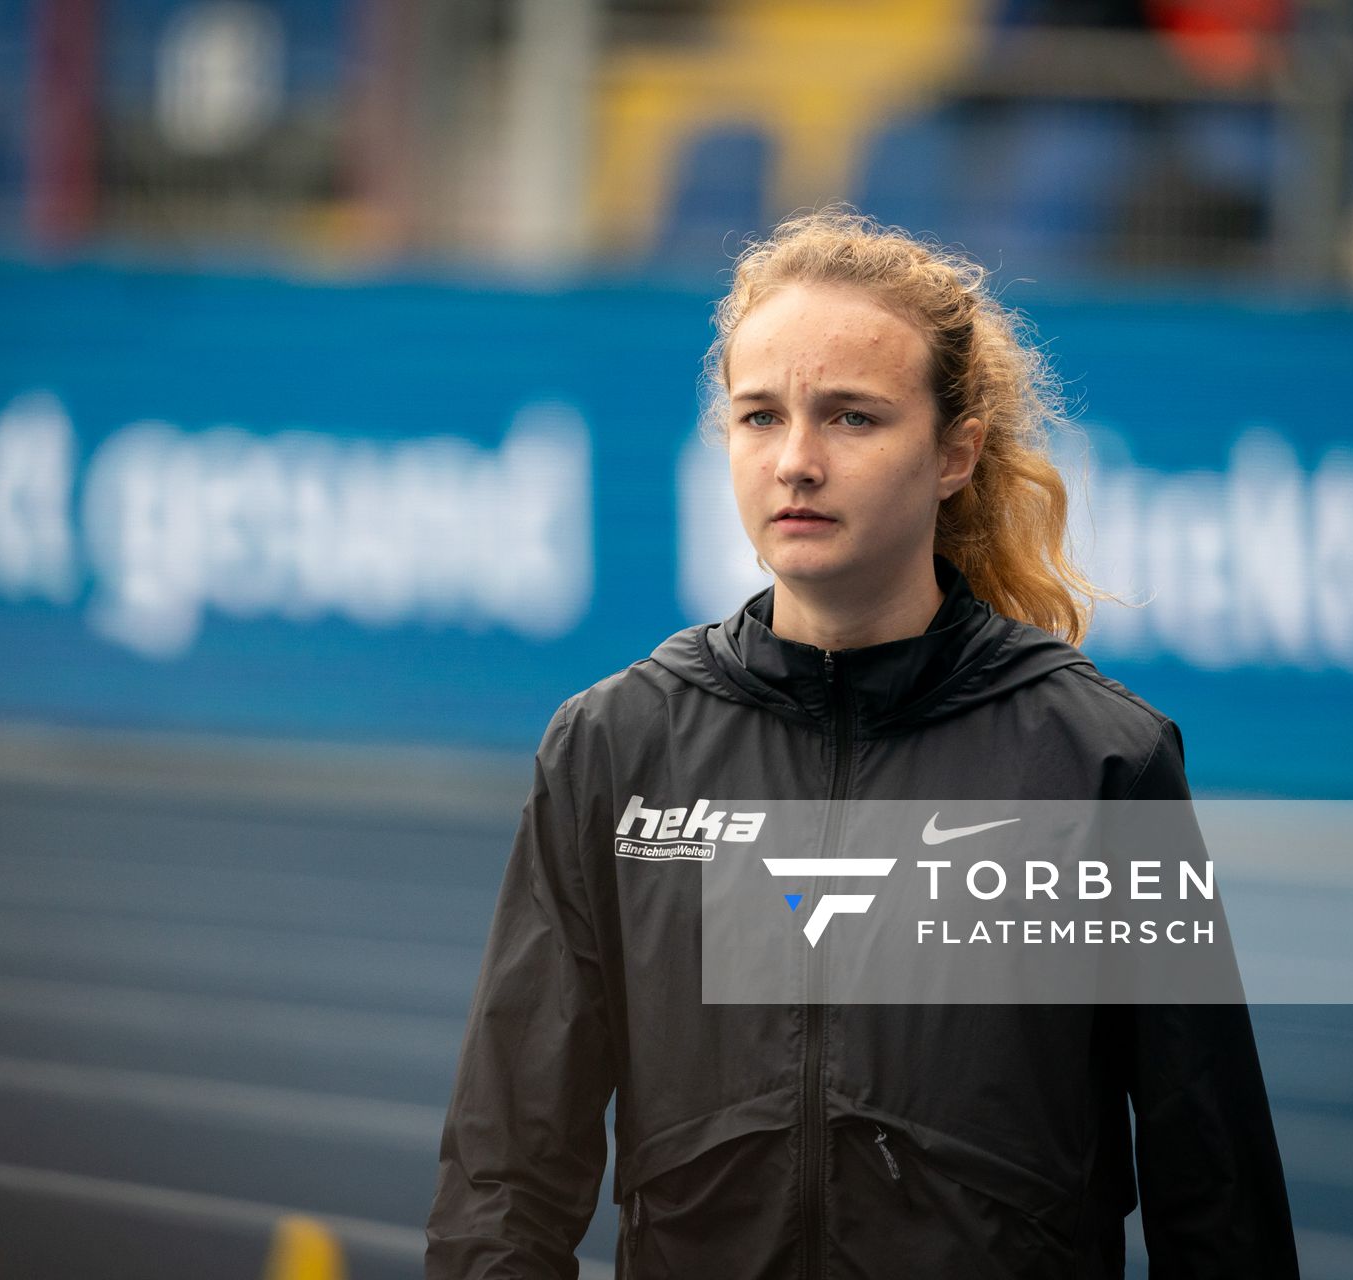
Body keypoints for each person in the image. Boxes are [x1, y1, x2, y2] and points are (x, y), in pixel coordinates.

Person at [425, 207, 1299, 1278]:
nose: (796, 461)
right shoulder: (615, 745)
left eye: (850, 417)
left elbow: (1216, 1196)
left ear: (953, 453)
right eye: (759, 417)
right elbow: (504, 1170)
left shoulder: (1097, 762)